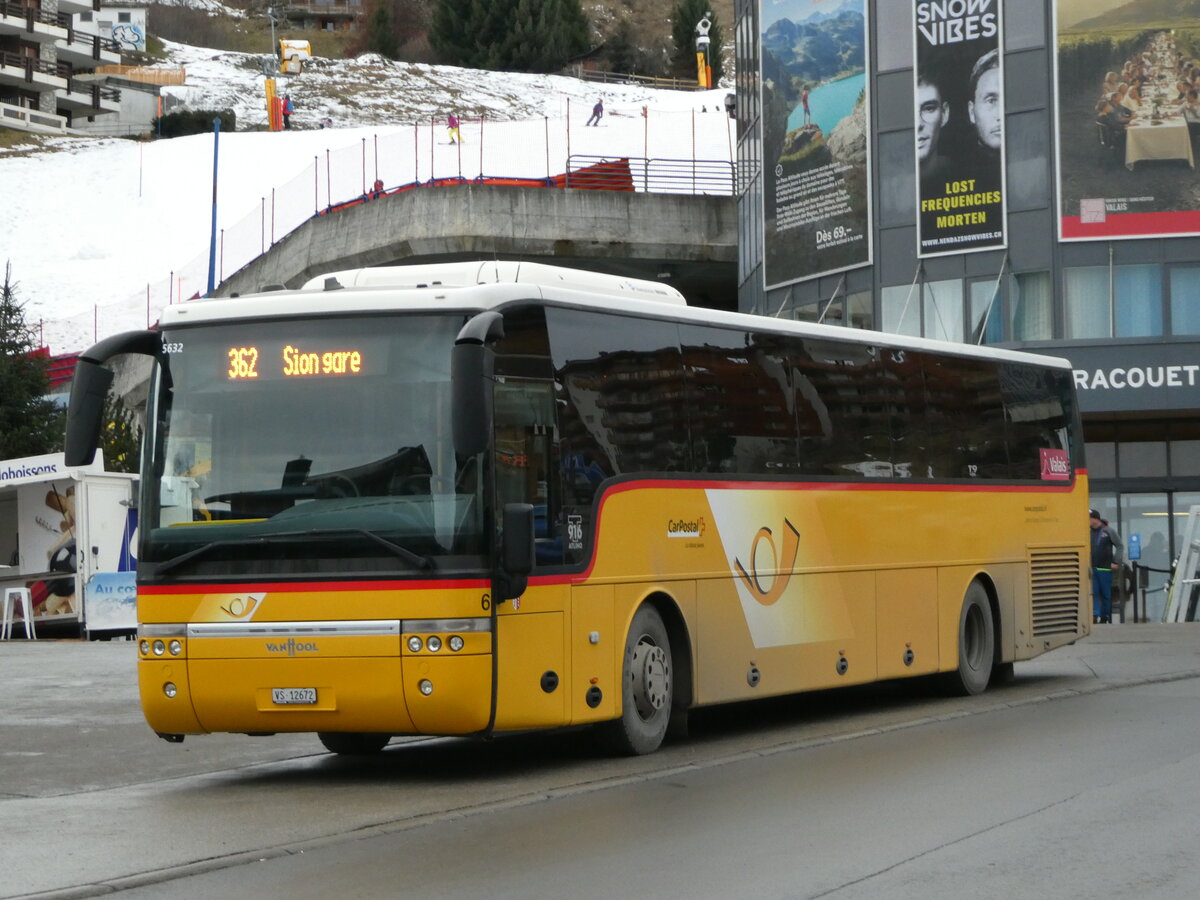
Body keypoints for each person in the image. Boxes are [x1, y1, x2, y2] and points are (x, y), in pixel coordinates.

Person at [915, 68, 951, 187]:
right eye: (908, 112)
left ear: (944, 114)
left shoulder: (964, 172)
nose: (918, 124)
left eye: (929, 109)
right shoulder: (884, 184)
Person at [1090, 508, 1124, 624]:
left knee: (1105, 594)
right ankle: (1095, 614)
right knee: (1093, 592)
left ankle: (1105, 617)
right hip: (1092, 568)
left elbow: (1120, 546)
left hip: (1105, 568)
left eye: (1089, 519)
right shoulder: (1087, 532)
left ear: (1095, 519)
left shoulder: (1108, 531)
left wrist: (1115, 561)